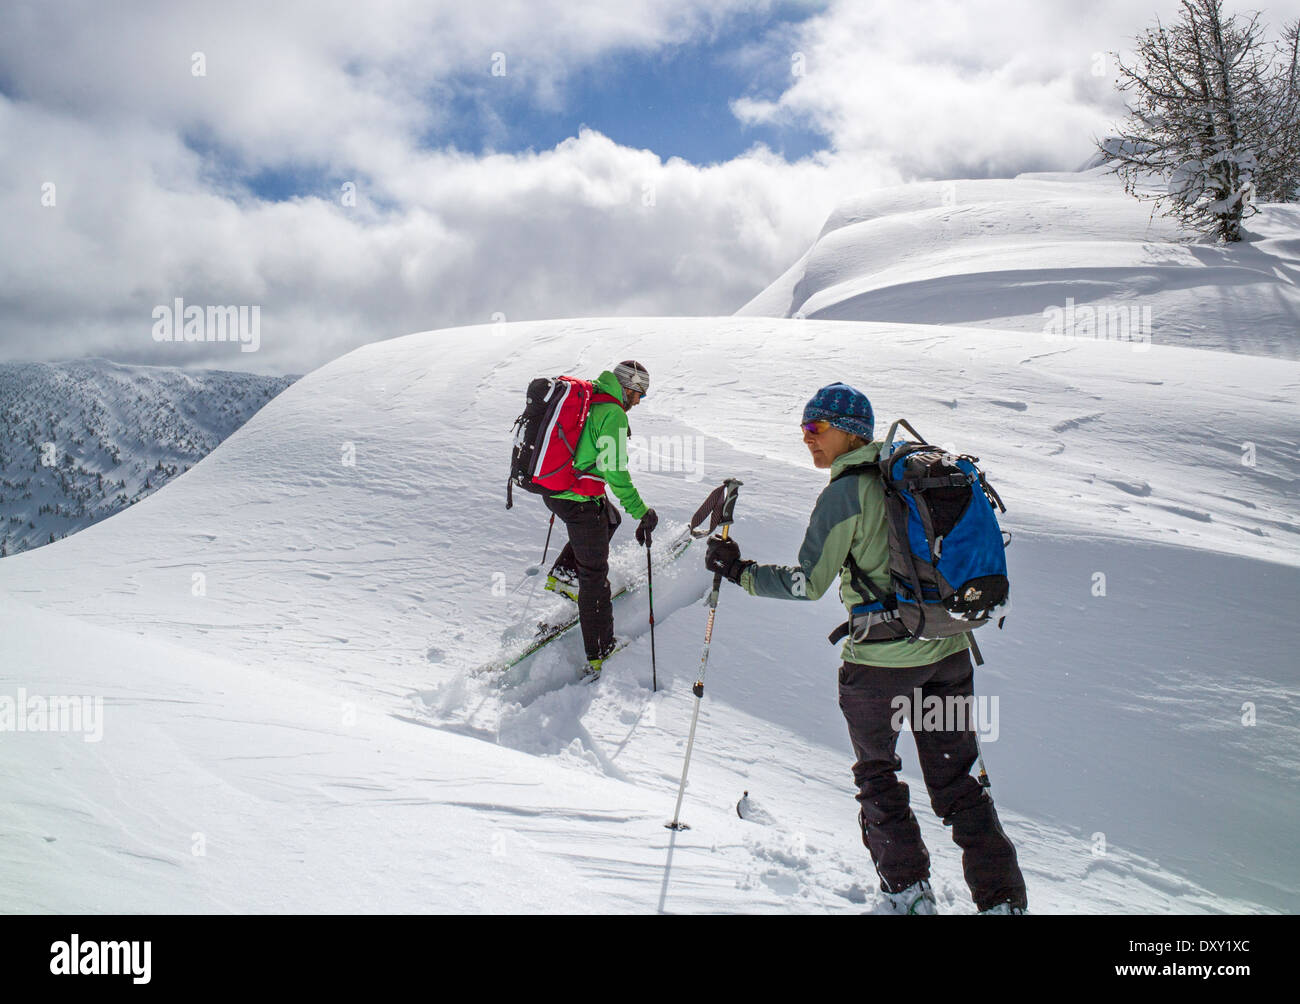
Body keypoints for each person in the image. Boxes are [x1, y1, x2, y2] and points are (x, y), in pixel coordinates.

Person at [704, 382, 1028, 915]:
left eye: (817, 427)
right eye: (804, 427)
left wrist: (740, 571)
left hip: (880, 668)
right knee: (958, 783)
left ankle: (908, 893)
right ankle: (1003, 902)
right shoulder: (912, 475)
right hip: (947, 652)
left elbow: (808, 584)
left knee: (878, 775)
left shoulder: (845, 493)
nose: (806, 438)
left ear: (849, 432)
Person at [543, 360, 658, 676]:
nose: (638, 401)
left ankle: (565, 576)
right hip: (577, 500)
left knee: (609, 517)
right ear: (627, 387)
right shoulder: (614, 413)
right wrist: (642, 511)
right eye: (638, 394)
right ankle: (601, 652)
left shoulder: (592, 398)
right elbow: (614, 469)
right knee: (594, 577)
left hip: (558, 491)